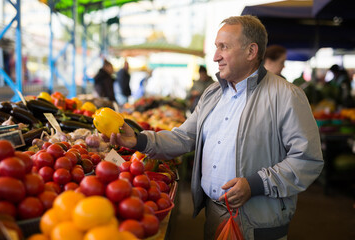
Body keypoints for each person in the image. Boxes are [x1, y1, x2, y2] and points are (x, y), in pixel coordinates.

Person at [111, 15, 323, 240]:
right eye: (216, 47)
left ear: (251, 52)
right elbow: (184, 137)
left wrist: (255, 184)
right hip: (215, 214)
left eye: (224, 47)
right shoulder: (213, 93)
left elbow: (307, 160)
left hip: (258, 222)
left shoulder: (287, 96)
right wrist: (138, 140)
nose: (215, 57)